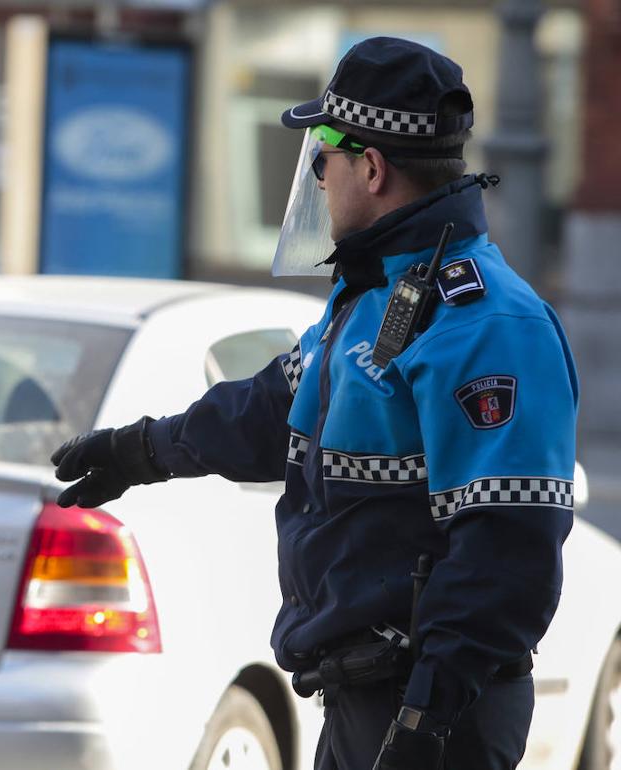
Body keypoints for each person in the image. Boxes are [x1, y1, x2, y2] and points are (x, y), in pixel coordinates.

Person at [51, 37, 577, 770]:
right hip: (363, 702)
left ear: (372, 165)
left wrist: (426, 721)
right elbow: (268, 412)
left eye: (322, 154)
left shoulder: (486, 325)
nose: (318, 179)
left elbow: (505, 549)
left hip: (432, 715)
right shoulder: (371, 297)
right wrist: (138, 451)